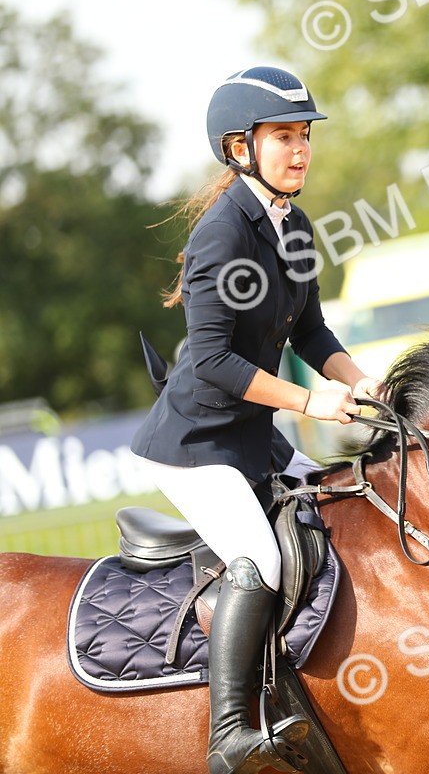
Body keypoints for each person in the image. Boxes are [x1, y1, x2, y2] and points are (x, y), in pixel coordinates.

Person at [131, 66, 380, 774]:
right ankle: (230, 735)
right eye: (284, 137)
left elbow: (312, 336)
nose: (300, 150)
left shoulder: (293, 225)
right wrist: (309, 402)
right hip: (193, 446)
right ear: (240, 148)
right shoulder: (221, 235)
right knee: (262, 558)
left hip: (252, 439)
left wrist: (365, 384)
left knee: (336, 514)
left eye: (304, 136)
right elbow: (211, 362)